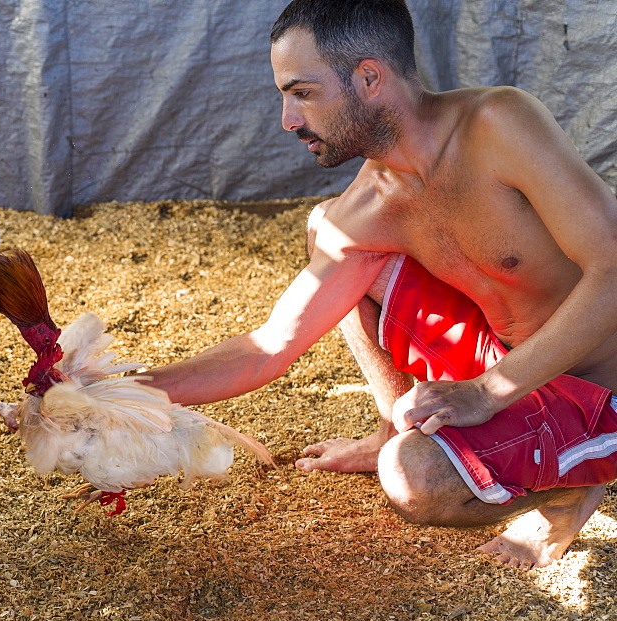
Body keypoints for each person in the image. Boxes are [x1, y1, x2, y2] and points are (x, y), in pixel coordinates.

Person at [142, 0, 617, 569]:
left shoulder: (498, 124)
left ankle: (571, 489)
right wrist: (115, 388)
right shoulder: (373, 202)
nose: (288, 120)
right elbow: (265, 350)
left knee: (412, 477)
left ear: (369, 77)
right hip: (509, 357)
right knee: (327, 227)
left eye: (302, 93)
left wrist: (486, 392)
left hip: (598, 387)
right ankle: (388, 429)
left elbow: (613, 270)